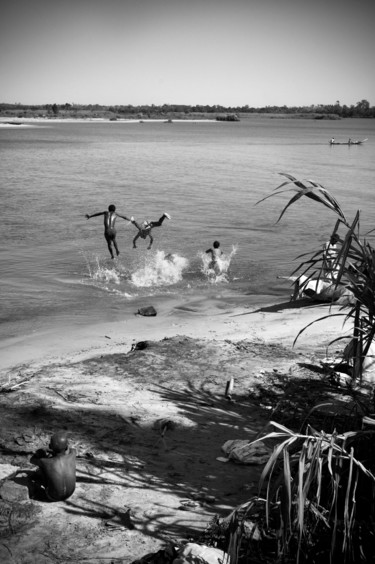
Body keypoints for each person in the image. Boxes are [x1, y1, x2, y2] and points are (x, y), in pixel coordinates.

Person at [30, 431, 76, 502]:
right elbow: (70, 449)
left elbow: (32, 460)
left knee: (41, 468)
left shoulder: (45, 462)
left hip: (53, 496)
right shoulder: (73, 454)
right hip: (70, 494)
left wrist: (41, 452)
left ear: (50, 446)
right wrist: (54, 449)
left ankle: (39, 489)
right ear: (66, 446)